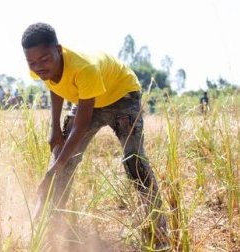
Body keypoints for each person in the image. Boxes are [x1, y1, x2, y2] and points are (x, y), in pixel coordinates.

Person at [21, 23, 169, 249]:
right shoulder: (39, 65)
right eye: (32, 62)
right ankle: (48, 228)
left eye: (44, 60)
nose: (38, 66)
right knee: (63, 157)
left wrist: (53, 170)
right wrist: (54, 129)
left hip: (121, 96)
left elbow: (80, 127)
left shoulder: (84, 69)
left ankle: (159, 231)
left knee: (134, 162)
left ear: (58, 50)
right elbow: (55, 86)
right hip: (86, 99)